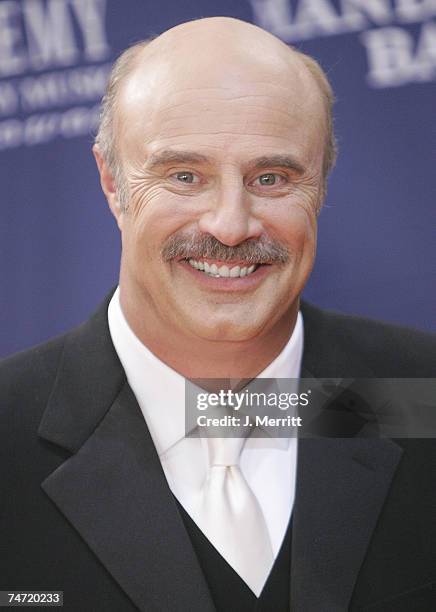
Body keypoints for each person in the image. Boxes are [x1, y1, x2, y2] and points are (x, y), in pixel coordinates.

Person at [1, 16, 435, 612]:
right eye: (184, 176)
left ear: (323, 184)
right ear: (111, 181)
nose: (230, 225)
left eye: (272, 177)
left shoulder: (421, 395)